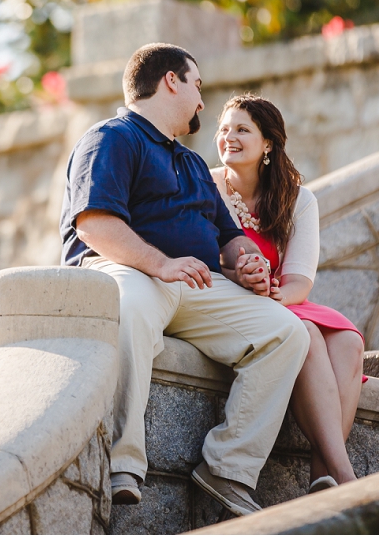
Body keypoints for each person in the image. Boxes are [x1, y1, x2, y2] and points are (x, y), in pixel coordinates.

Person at [60, 42, 310, 516]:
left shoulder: (194, 163)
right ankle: (122, 462)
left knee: (286, 332)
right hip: (124, 270)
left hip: (193, 282)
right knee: (129, 305)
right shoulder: (111, 137)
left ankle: (228, 468)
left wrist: (246, 265)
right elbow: (94, 224)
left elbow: (229, 237)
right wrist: (160, 264)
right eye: (197, 86)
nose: (201, 102)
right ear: (170, 80)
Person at [212, 93, 365, 494]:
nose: (229, 136)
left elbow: (300, 280)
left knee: (348, 341)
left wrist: (274, 295)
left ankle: (321, 474)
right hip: (228, 297)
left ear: (267, 144)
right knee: (308, 335)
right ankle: (345, 477)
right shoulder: (205, 186)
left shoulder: (296, 198)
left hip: (282, 297)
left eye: (242, 129)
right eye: (224, 129)